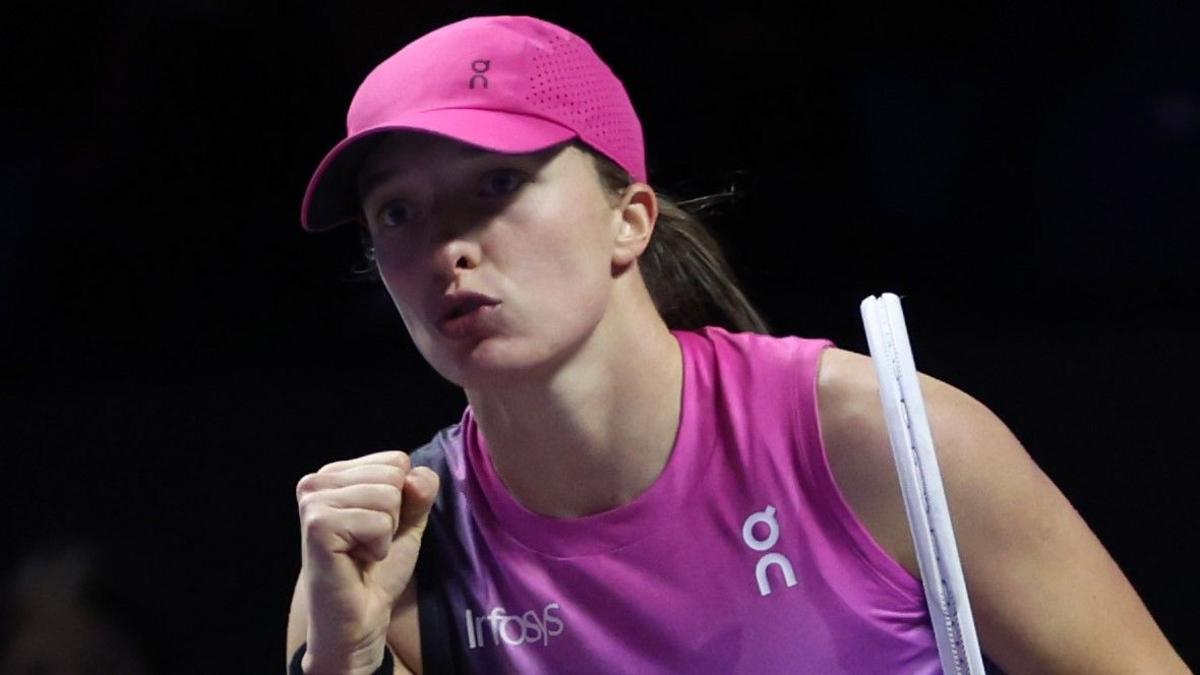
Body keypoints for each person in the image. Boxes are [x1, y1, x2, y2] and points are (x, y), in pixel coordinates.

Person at [285, 15, 1188, 675]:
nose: (447, 246)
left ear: (627, 220)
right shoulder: (387, 560)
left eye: (496, 184)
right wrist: (347, 656)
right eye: (396, 211)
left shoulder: (874, 439)